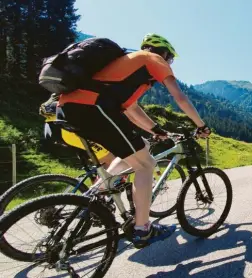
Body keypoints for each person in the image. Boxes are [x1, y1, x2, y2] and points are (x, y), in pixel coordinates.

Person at [57, 33, 211, 248]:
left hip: (69, 108)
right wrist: (201, 125)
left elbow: (131, 110)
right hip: (93, 109)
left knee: (141, 149)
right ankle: (143, 229)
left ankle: (99, 193)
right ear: (164, 53)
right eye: (170, 59)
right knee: (146, 164)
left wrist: (155, 129)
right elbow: (180, 98)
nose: (169, 63)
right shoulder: (153, 60)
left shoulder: (128, 65)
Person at [40, 94, 116, 169]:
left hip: (57, 126)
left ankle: (103, 178)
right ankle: (104, 180)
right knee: (113, 160)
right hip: (68, 130)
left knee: (107, 163)